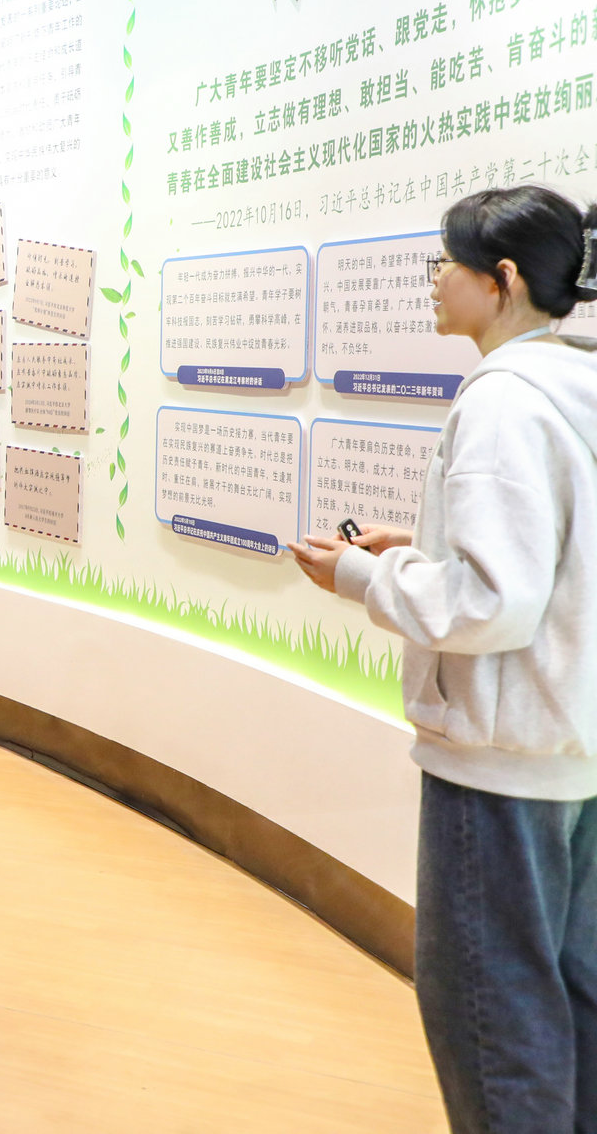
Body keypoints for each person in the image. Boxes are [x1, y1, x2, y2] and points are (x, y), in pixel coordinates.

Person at [289, 186, 597, 1133]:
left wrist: (360, 576)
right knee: (571, 997)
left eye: (445, 263)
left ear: (501, 280)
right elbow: (548, 570)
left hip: (498, 766)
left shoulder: (505, 398)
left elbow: (494, 602)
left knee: (492, 1014)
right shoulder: (577, 385)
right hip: (572, 750)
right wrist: (419, 553)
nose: (433, 280)